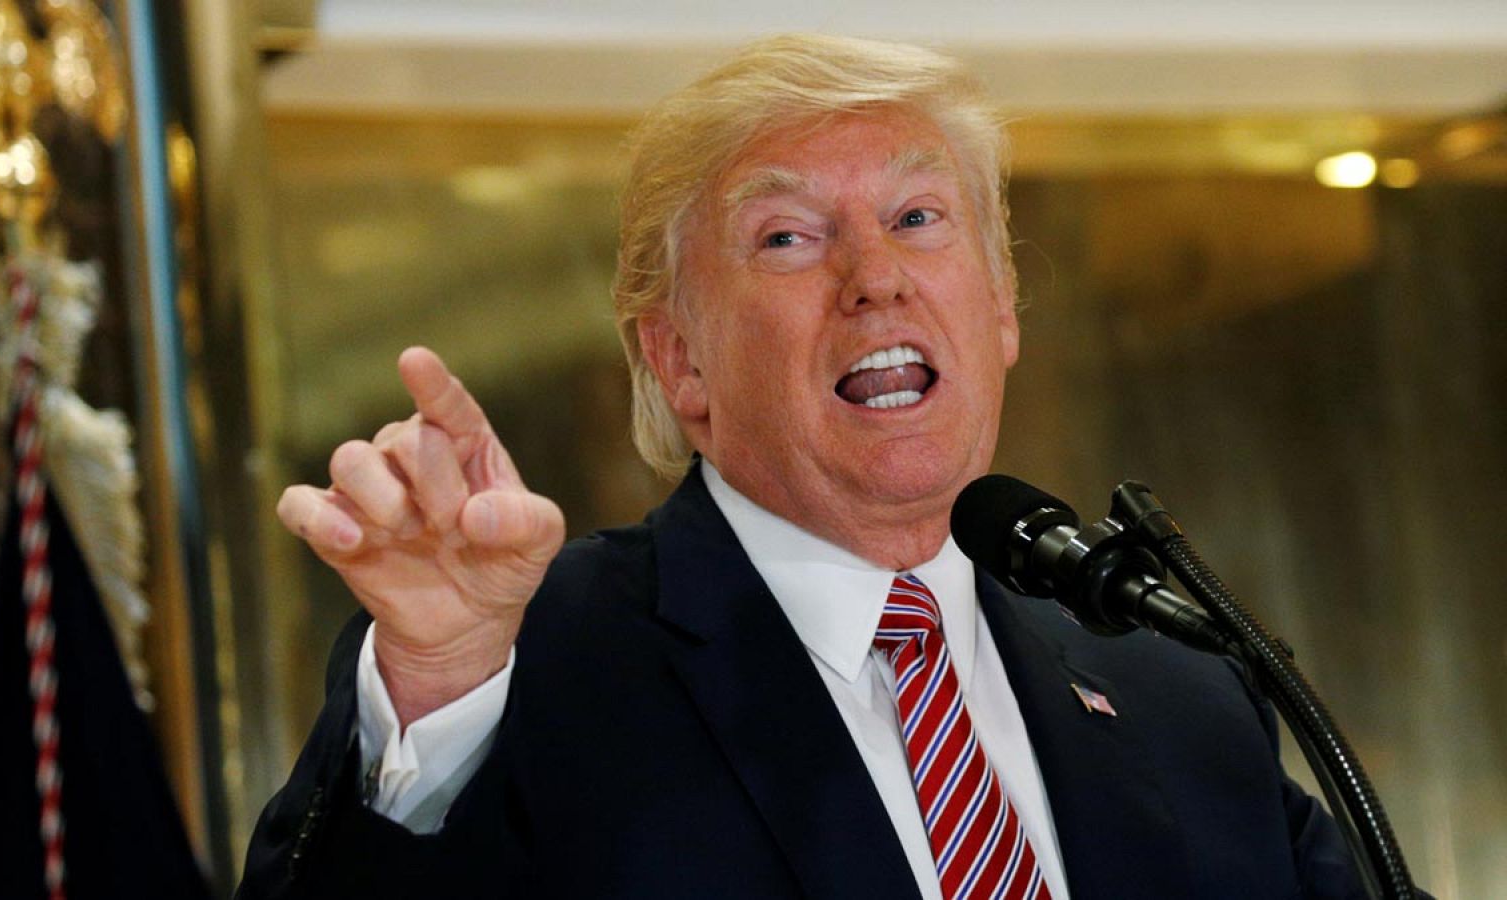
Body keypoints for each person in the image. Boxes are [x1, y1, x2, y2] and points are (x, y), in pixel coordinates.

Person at [239, 34, 1368, 900]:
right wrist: (440, 676)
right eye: (787, 237)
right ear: (680, 359)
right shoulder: (528, 660)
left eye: (918, 217)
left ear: (1004, 304)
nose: (875, 278)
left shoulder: (1181, 691)